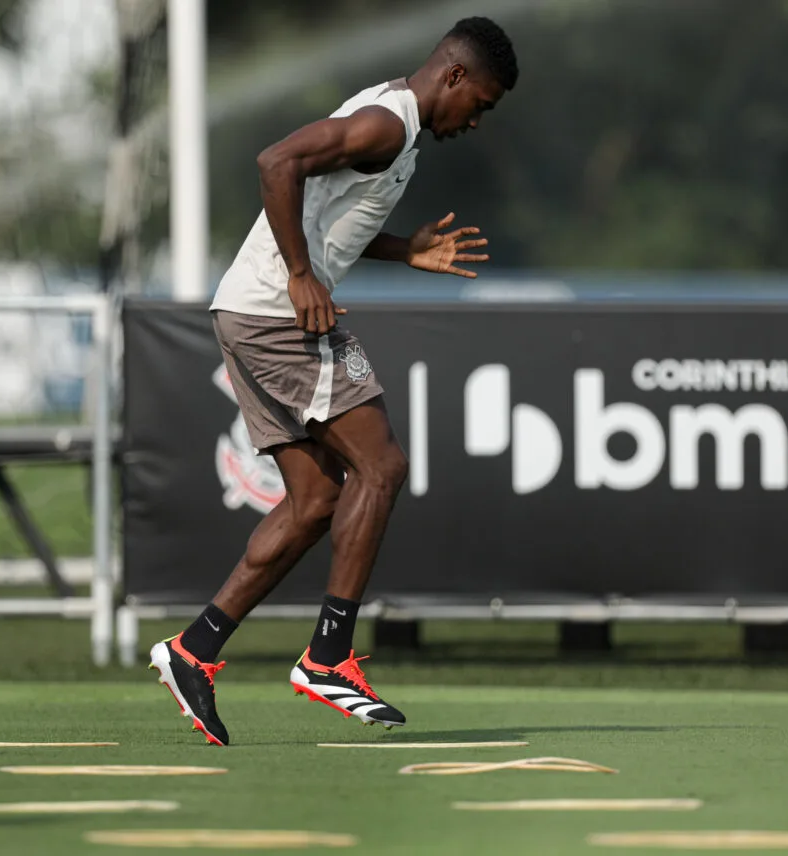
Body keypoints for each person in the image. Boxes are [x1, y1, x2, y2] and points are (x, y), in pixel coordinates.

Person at [149, 16, 518, 746]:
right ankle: (327, 656)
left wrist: (400, 249)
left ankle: (193, 651)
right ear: (453, 77)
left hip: (252, 313)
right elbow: (276, 162)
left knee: (318, 498)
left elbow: (323, 211)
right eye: (480, 102)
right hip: (274, 316)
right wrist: (298, 277)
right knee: (382, 465)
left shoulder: (394, 125)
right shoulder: (386, 123)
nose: (476, 120)